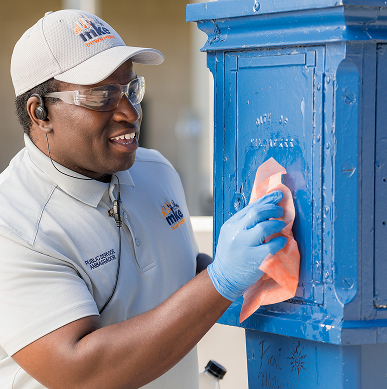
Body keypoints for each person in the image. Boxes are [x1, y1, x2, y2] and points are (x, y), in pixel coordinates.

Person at [0, 9, 287, 389]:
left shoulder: (156, 171)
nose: (130, 112)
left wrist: (243, 271)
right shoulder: (14, 223)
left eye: (130, 89)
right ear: (41, 112)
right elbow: (81, 371)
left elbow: (175, 275)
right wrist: (219, 282)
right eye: (101, 96)